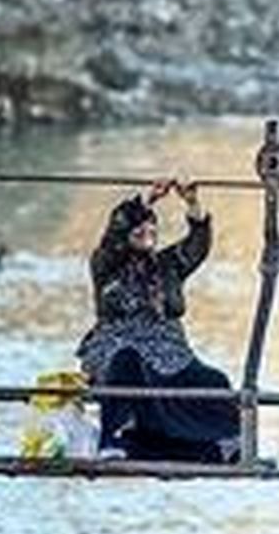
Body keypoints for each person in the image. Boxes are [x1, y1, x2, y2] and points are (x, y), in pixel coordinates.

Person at [77, 178, 240, 463]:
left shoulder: (168, 265)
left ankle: (226, 444)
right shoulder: (106, 264)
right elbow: (114, 233)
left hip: (170, 352)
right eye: (139, 230)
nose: (147, 233)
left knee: (214, 380)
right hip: (118, 344)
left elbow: (197, 245)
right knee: (126, 361)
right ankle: (109, 439)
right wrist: (148, 201)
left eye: (152, 229)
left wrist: (191, 203)